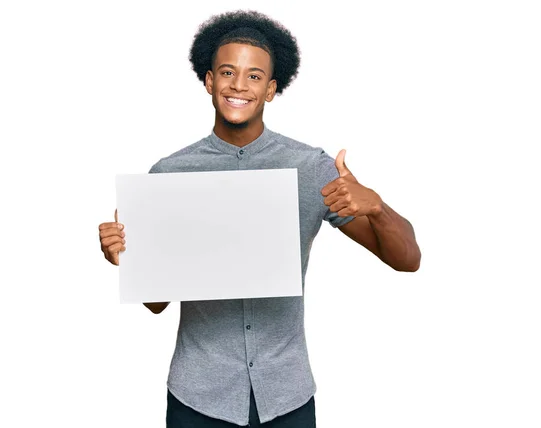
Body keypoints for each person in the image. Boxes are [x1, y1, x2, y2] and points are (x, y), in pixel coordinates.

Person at [98, 10, 421, 428]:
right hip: (199, 398)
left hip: (286, 394)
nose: (238, 85)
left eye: (254, 77)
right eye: (228, 72)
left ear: (270, 89)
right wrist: (127, 258)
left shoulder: (310, 168)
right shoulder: (170, 175)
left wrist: (376, 206)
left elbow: (408, 259)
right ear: (210, 80)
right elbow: (157, 303)